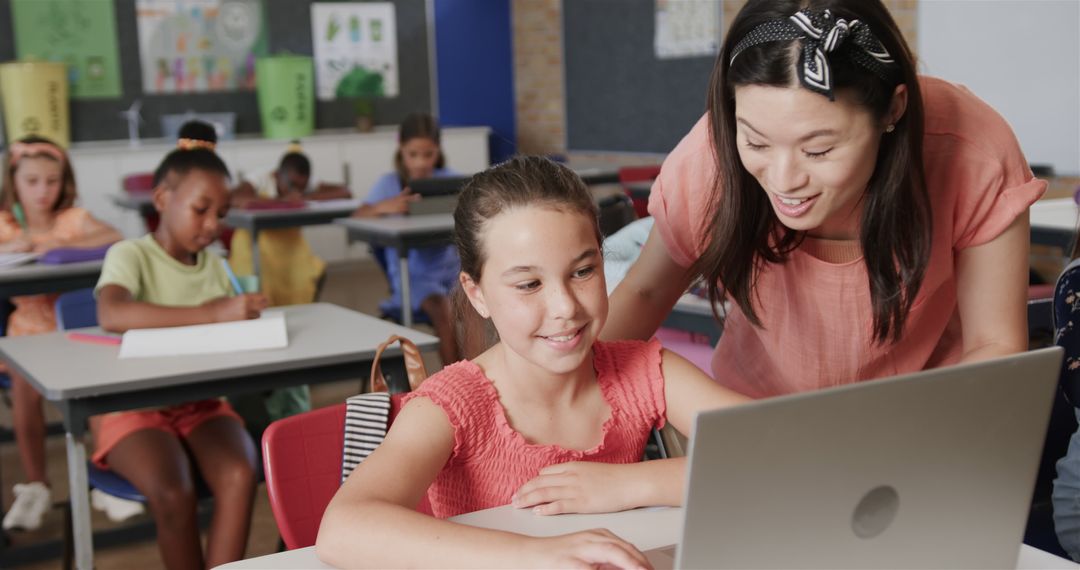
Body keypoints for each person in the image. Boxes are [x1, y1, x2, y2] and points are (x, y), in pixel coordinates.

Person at [316, 156, 749, 568]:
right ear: (477, 293)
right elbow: (343, 528)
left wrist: (629, 484)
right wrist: (535, 556)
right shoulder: (451, 405)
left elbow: (780, 452)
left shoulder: (644, 370)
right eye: (529, 284)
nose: (564, 306)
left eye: (583, 272)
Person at [604, 0, 1043, 399]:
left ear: (893, 110)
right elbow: (644, 292)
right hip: (758, 420)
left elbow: (995, 344)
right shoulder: (710, 159)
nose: (784, 180)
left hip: (930, 412)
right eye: (756, 143)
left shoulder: (972, 149)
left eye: (818, 150)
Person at [94, 143, 266, 569]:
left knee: (239, 475)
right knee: (174, 492)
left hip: (201, 403)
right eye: (201, 209)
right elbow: (112, 312)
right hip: (134, 407)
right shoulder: (131, 255)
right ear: (162, 200)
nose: (211, 225)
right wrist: (211, 314)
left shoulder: (216, 266)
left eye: (221, 214)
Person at [0, 136, 123, 531]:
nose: (42, 191)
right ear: (13, 181)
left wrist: (48, 242)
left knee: (100, 378)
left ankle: (103, 472)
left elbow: (115, 237)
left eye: (52, 181)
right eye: (32, 180)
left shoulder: (72, 220)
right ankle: (36, 483)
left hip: (74, 327)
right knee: (23, 382)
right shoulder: (4, 224)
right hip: (27, 329)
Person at [352, 112, 462, 365]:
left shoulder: (450, 179)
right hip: (412, 278)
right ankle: (457, 387)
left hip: (452, 272)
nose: (421, 163)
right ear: (401, 150)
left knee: (480, 308)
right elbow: (358, 214)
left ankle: (480, 382)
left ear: (438, 150)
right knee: (444, 311)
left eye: (428, 154)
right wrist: (383, 207)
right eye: (413, 154)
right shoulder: (389, 184)